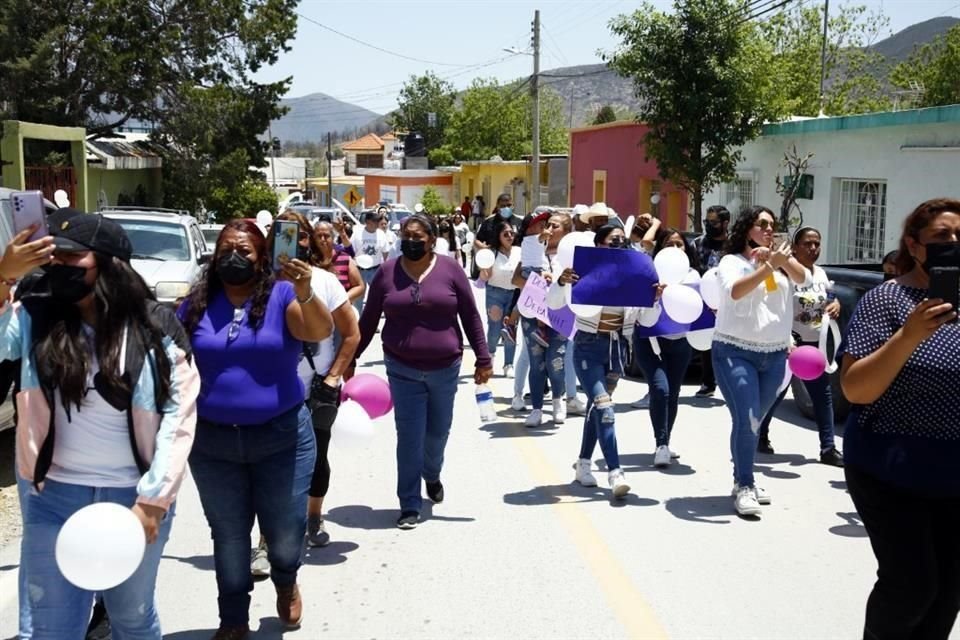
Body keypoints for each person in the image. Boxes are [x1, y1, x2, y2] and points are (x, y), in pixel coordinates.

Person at [2, 208, 199, 639]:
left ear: (109, 265)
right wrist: (3, 277)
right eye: (53, 258)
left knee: (131, 616)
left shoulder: (154, 326)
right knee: (49, 627)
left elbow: (178, 419)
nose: (58, 267)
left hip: (133, 498)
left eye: (73, 259)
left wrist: (153, 501)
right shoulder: (36, 316)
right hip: (52, 495)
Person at [178, 219, 333, 637]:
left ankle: (286, 580)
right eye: (227, 247)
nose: (234, 256)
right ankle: (232, 618)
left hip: (281, 438)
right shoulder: (197, 301)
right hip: (212, 442)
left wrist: (304, 290)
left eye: (245, 250)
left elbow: (319, 330)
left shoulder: (283, 293)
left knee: (284, 531)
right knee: (228, 535)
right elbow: (170, 356)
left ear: (262, 256)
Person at [839, 198, 960, 640]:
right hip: (887, 469)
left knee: (947, 595)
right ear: (914, 244)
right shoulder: (886, 301)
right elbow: (855, 388)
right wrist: (909, 335)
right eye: (942, 236)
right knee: (911, 586)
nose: (954, 244)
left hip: (953, 474)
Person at [356, 213, 492, 529]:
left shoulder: (450, 270)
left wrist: (483, 359)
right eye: (406, 235)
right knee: (409, 436)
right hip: (401, 367)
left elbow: (471, 316)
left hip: (445, 368)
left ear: (432, 240)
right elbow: (369, 319)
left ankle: (431, 473)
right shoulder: (387, 272)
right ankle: (409, 503)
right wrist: (348, 359)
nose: (411, 241)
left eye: (418, 236)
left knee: (437, 433)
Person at [712, 206, 810, 517]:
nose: (768, 229)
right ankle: (744, 483)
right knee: (748, 418)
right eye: (761, 224)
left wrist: (779, 261)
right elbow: (735, 292)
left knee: (752, 423)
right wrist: (768, 268)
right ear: (746, 229)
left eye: (772, 225)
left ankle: (744, 478)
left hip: (774, 354)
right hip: (735, 350)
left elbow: (805, 279)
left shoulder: (779, 262)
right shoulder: (732, 262)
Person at [276, 211, 361, 549]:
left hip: (316, 387)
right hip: (273, 390)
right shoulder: (261, 284)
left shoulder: (325, 282)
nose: (292, 242)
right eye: (282, 234)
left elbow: (351, 334)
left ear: (308, 240)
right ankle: (270, 536)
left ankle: (313, 516)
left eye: (299, 234)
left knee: (316, 455)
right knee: (272, 463)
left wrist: (334, 376)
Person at [555, 224, 640, 498]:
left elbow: (642, 315)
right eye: (613, 239)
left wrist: (654, 297)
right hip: (588, 346)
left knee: (595, 408)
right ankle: (616, 473)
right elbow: (553, 302)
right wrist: (561, 282)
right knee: (605, 409)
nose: (619, 243)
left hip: (616, 348)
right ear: (600, 243)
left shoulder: (630, 272)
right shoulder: (582, 271)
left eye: (622, 240)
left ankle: (582, 463)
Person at [756, 227, 844, 466]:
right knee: (776, 393)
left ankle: (828, 448)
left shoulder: (821, 273)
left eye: (817, 243)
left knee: (823, 397)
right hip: (789, 344)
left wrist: (835, 304)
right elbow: (774, 306)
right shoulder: (785, 273)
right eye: (807, 244)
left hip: (815, 346)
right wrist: (785, 340)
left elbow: (828, 297)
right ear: (794, 248)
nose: (813, 248)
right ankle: (760, 435)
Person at [633, 229, 700, 468]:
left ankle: (665, 441)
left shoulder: (693, 277)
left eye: (679, 244)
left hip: (680, 343)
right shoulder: (649, 274)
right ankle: (660, 443)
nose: (675, 248)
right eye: (669, 244)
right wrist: (654, 297)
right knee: (660, 389)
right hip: (649, 342)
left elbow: (699, 313)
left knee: (673, 394)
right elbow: (641, 316)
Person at [512, 210, 568, 427]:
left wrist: (555, 282)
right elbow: (516, 279)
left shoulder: (568, 256)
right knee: (536, 362)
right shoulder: (531, 252)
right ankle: (536, 408)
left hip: (559, 313)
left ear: (566, 231)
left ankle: (558, 401)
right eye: (546, 225)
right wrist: (538, 284)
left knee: (556, 361)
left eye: (554, 226)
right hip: (532, 310)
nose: (549, 229)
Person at [693, 204, 731, 398]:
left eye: (713, 222)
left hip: (731, 299)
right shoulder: (698, 244)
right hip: (704, 300)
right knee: (706, 343)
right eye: (706, 222)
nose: (709, 225)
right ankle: (708, 383)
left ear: (725, 223)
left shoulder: (735, 245)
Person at [478, 220, 520, 378]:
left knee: (510, 329)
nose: (510, 236)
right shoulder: (491, 252)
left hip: (515, 295)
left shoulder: (519, 251)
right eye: (506, 234)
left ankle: (509, 364)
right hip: (495, 293)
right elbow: (484, 276)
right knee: (495, 329)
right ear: (499, 236)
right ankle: (490, 357)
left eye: (512, 233)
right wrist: (483, 270)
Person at [314, 220, 365, 307]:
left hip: (341, 313)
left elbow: (359, 287)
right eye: (319, 236)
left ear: (333, 237)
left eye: (326, 236)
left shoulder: (345, 259)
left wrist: (342, 300)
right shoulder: (309, 260)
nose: (323, 239)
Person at [351, 210, 390, 314]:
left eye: (378, 221)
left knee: (375, 297)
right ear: (367, 222)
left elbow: (385, 252)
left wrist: (386, 268)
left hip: (375, 269)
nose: (378, 223)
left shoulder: (381, 234)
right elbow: (350, 251)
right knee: (358, 298)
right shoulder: (357, 234)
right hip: (359, 270)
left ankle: (372, 320)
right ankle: (359, 322)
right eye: (375, 221)